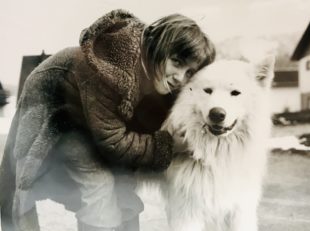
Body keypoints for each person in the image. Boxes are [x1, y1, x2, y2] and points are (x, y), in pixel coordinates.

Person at [0, 9, 215, 231]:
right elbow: (113, 140)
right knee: (97, 187)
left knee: (124, 189)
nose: (180, 77)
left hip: (96, 123)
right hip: (62, 116)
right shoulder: (111, 69)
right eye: (177, 62)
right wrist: (167, 145)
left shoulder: (157, 75)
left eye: (190, 73)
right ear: (158, 44)